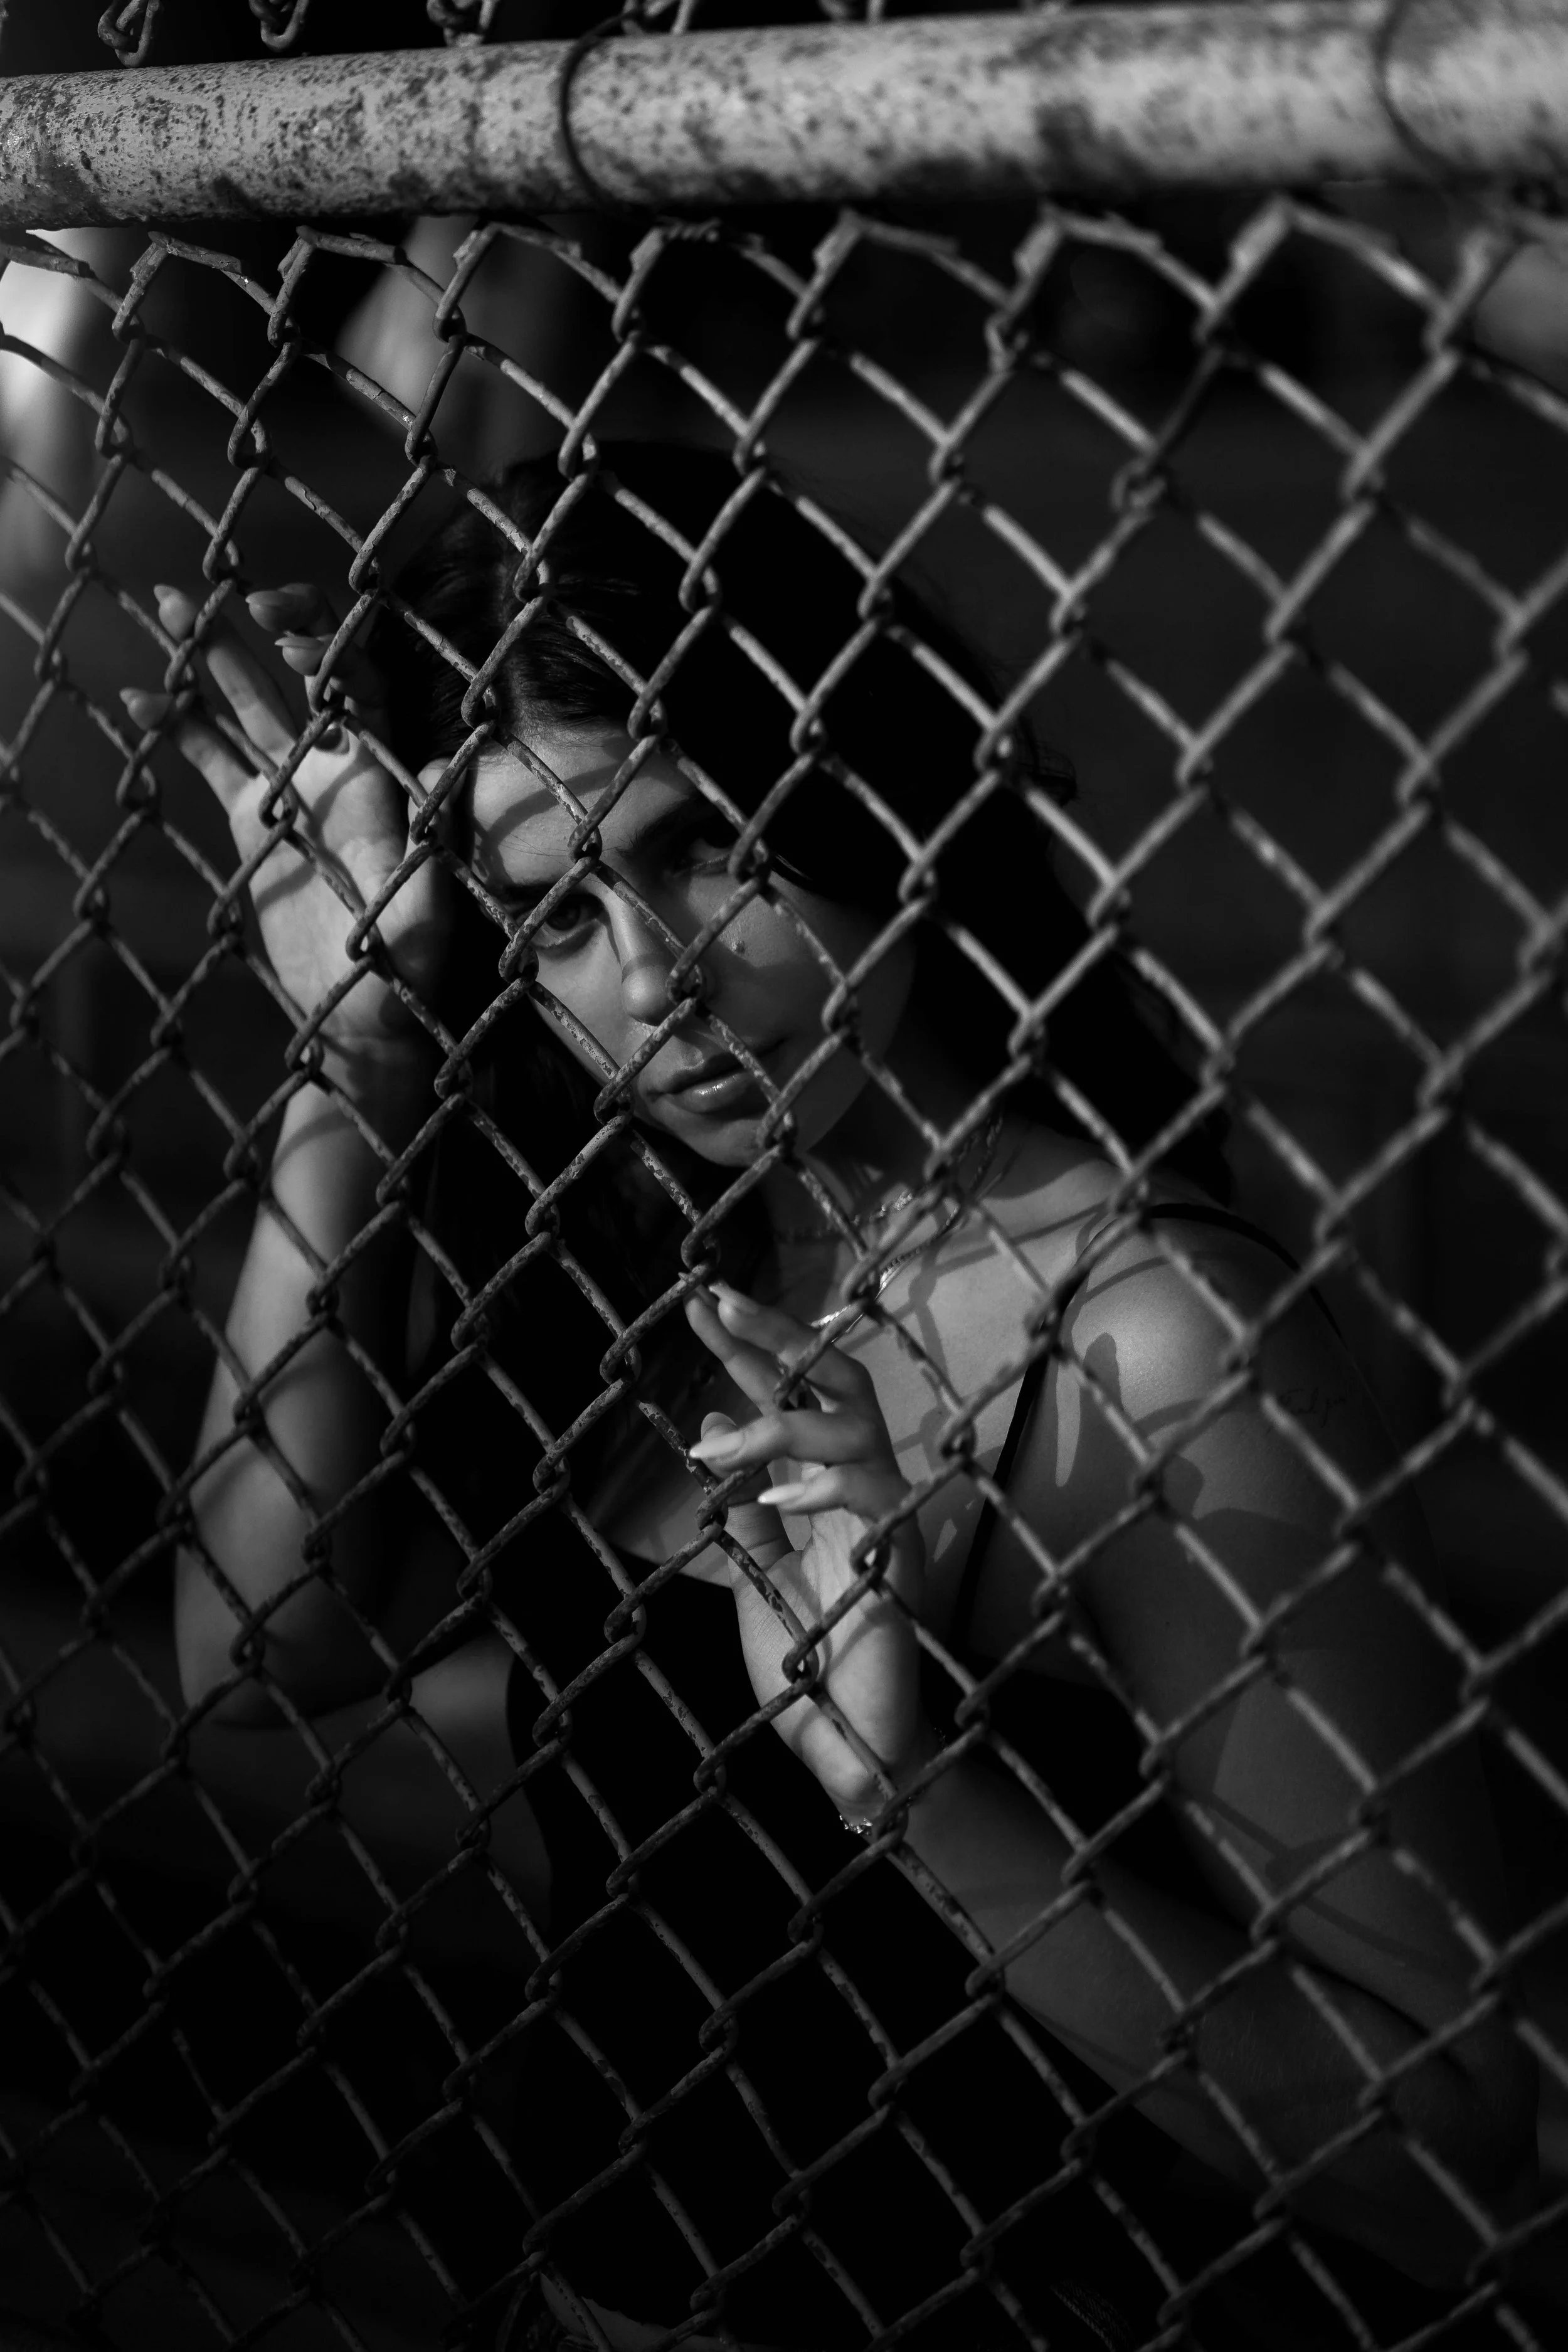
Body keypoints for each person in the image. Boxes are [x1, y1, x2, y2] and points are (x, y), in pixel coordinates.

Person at [127, 443, 1536, 2351]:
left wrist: (914, 1792)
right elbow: (256, 1641)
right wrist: (353, 1043)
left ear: (875, 786)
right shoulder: (655, 1234)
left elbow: (1443, 2152)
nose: (657, 977)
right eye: (550, 917)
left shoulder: (1147, 1331)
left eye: (707, 838)